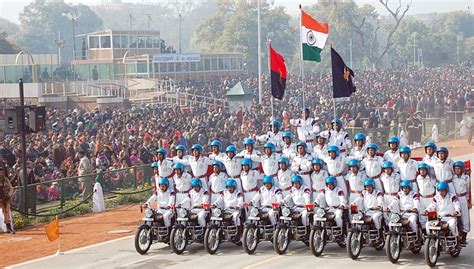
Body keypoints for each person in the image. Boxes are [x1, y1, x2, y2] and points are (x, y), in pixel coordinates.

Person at [452, 161, 470, 245]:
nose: (457, 170)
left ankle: (464, 236)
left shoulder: (466, 178)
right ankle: (456, 234)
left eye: (459, 168)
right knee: (455, 215)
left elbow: (468, 189)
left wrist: (468, 200)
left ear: (462, 169)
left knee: (465, 217)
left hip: (463, 197)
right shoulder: (453, 178)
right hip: (455, 198)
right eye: (455, 169)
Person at [416, 162, 437, 229]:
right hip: (422, 198)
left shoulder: (431, 178)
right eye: (421, 170)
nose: (422, 171)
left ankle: (433, 231)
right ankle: (424, 232)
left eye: (424, 170)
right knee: (422, 216)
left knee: (432, 214)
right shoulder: (418, 178)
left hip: (430, 198)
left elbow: (436, 187)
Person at [0, 162, 14, 234]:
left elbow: (11, 188)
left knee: (6, 212)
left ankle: (9, 228)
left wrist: (8, 195)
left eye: (2, 172)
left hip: (5, 199)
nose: (1, 173)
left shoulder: (6, 179)